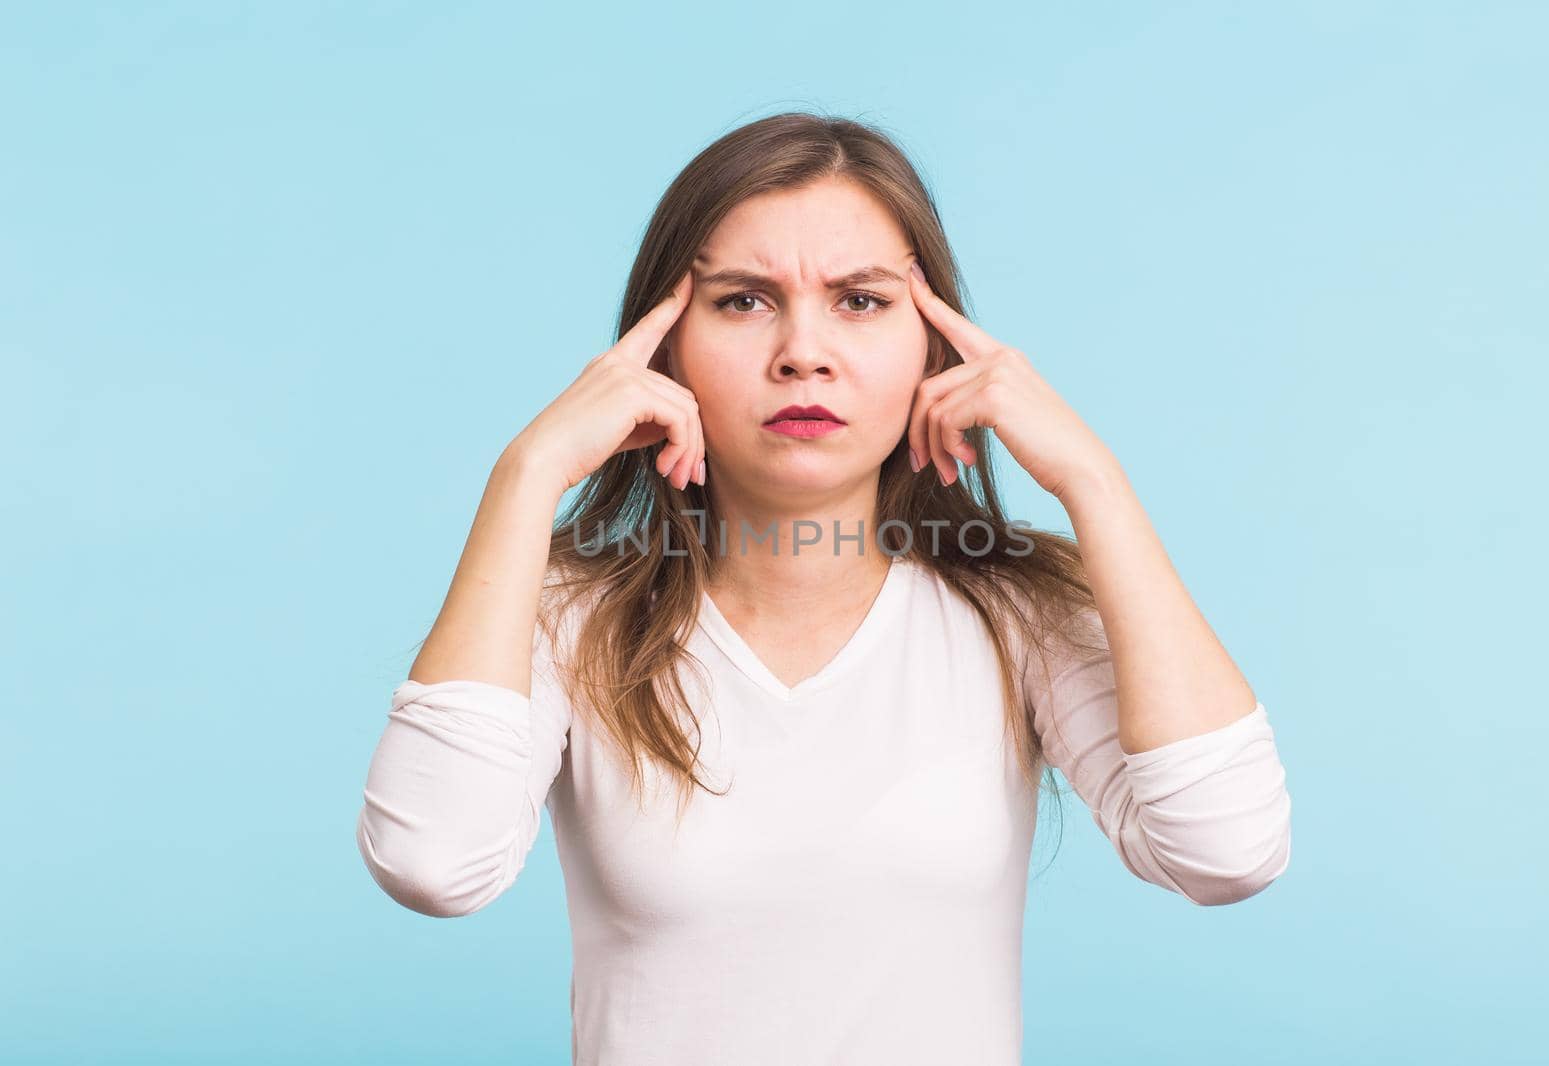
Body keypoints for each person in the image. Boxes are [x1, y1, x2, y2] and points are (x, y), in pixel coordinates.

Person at [354, 112, 1292, 1065]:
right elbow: (433, 865)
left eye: (860, 301)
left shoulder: (1020, 620)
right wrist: (527, 472)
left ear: (935, 348)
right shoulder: (566, 620)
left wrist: (1096, 482)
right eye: (743, 301)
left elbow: (1223, 852)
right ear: (661, 349)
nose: (803, 352)